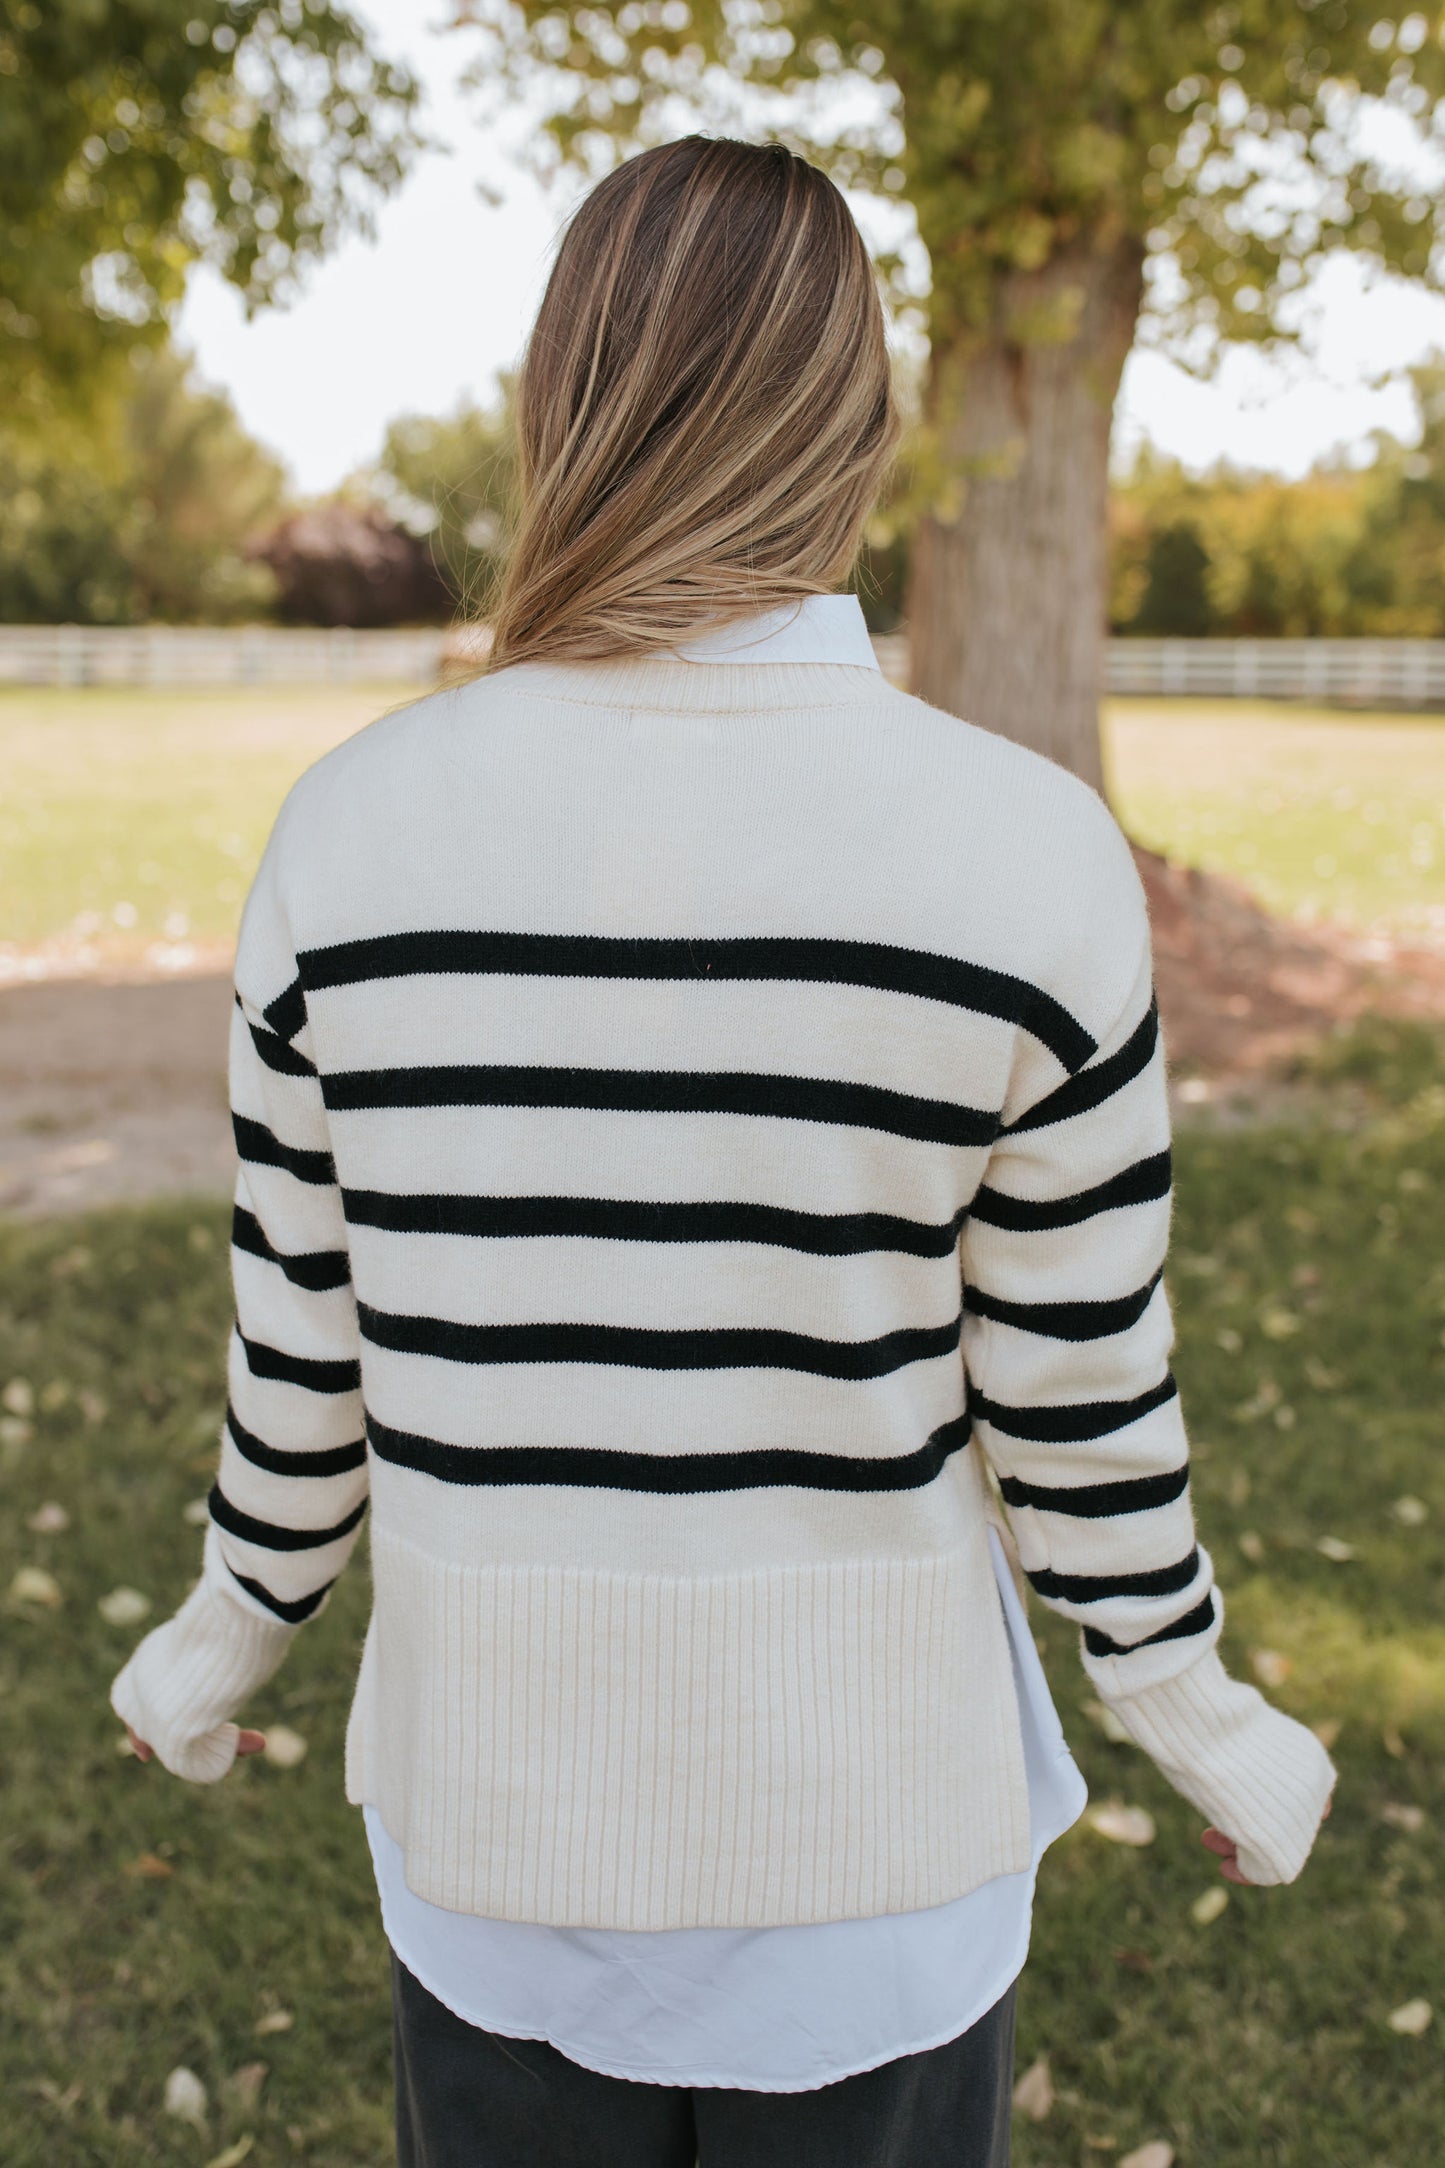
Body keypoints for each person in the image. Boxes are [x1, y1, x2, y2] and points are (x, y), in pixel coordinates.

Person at [112, 136, 1335, 2167]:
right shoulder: (1029, 859)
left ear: (553, 409)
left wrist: (225, 1635)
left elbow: (301, 1365)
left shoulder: (347, 838)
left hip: (495, 1850)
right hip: (883, 1869)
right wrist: (1187, 1696)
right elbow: (1079, 1395)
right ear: (860, 431)